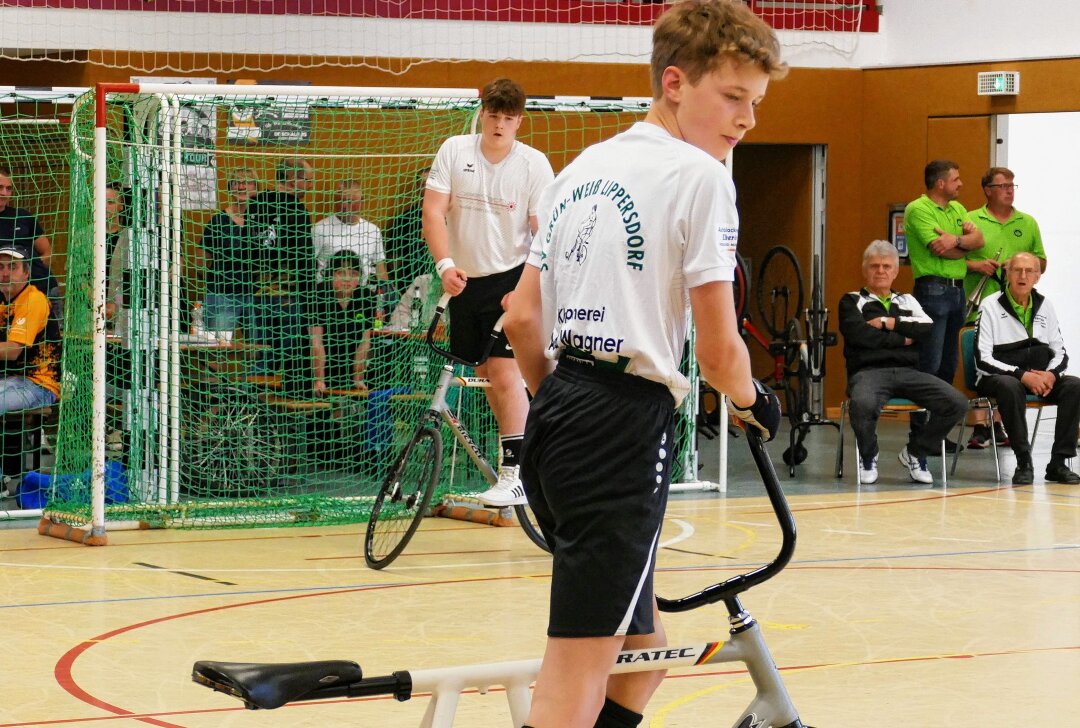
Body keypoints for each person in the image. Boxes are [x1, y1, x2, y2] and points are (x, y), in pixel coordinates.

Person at [501, 2, 785, 725]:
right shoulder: (698, 177)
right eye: (732, 97)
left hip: (561, 406)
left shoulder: (580, 169)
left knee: (644, 651)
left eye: (755, 102)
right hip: (621, 427)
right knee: (576, 670)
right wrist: (752, 401)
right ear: (674, 83)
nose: (746, 119)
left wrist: (561, 403)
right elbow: (720, 353)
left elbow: (521, 317)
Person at [423, 78, 555, 507]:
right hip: (465, 278)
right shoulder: (455, 150)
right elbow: (434, 210)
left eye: (509, 118)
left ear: (520, 120)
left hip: (513, 279)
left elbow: (543, 234)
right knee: (488, 378)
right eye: (494, 115)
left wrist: (526, 290)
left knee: (503, 373)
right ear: (482, 113)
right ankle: (514, 460)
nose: (500, 124)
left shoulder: (534, 164)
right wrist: (444, 266)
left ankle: (515, 473)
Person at [839, 240, 967, 484]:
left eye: (886, 266)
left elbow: (927, 329)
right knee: (862, 404)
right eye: (874, 266)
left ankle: (915, 452)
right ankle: (868, 455)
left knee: (956, 402)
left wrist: (889, 324)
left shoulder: (907, 300)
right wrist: (904, 339)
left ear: (895, 271)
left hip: (910, 372)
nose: (881, 271)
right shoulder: (851, 301)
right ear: (865, 270)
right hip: (868, 372)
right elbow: (859, 336)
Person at [974, 252, 1080, 485]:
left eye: (1029, 271)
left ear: (1037, 277)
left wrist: (1051, 375)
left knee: (1074, 386)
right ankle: (1024, 462)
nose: (1023, 276)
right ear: (1008, 274)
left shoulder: (1045, 305)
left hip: (1039, 375)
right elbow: (982, 358)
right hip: (998, 376)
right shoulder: (990, 305)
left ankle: (1058, 463)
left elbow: (1060, 351)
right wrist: (1022, 376)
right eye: (1017, 270)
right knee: (1010, 387)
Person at [903, 160, 984, 453]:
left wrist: (957, 239)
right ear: (940, 183)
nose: (961, 184)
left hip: (956, 292)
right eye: (956, 179)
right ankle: (919, 435)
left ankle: (936, 434)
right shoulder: (918, 209)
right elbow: (944, 251)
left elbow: (980, 239)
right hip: (932, 290)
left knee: (948, 366)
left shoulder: (957, 209)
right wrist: (963, 244)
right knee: (929, 365)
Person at [964, 166, 1046, 449]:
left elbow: (1041, 262)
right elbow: (953, 260)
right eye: (1003, 186)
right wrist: (977, 265)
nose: (1010, 190)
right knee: (983, 361)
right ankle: (981, 426)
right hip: (979, 302)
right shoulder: (971, 219)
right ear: (988, 190)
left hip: (1015, 306)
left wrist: (1017, 266)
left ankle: (1002, 423)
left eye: (1012, 185)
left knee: (1013, 360)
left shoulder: (1028, 221)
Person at [247, 158, 317, 392]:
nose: (309, 187)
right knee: (287, 358)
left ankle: (252, 412)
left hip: (256, 294)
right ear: (292, 179)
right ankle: (279, 416)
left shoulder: (255, 204)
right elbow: (304, 258)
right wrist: (309, 297)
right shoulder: (297, 210)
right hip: (287, 296)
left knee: (259, 354)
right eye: (307, 181)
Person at [0, 243, 61, 488]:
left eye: (12, 267)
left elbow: (13, 351)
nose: (5, 273)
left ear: (26, 274)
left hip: (40, 385)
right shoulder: (3, 301)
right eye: (1, 267)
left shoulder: (33, 300)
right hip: (13, 381)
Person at [199, 168, 260, 340]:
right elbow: (201, 262)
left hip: (258, 296)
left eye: (247, 182)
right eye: (236, 182)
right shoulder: (218, 221)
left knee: (257, 352)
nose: (241, 187)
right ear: (229, 188)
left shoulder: (264, 220)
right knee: (218, 350)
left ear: (257, 188)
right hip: (222, 295)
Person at [308, 251, 375, 396]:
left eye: (353, 273)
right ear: (330, 274)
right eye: (340, 273)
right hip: (315, 368)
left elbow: (364, 342)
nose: (347, 279)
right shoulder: (318, 295)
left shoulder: (366, 297)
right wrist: (319, 379)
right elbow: (316, 342)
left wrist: (358, 378)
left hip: (349, 367)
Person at [0, 163, 58, 312]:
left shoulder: (23, 216)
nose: (5, 193)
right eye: (0, 188)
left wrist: (25, 272)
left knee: (51, 335)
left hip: (41, 290)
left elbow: (48, 253)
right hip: (5, 296)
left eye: (9, 188)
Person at [312, 179, 388, 291]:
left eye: (349, 201)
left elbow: (379, 267)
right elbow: (307, 265)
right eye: (339, 200)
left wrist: (385, 295)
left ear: (362, 202)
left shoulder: (373, 231)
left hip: (362, 297)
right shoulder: (320, 229)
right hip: (328, 297)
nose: (343, 206)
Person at [384, 167, 431, 299]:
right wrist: (398, 287)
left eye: (431, 184)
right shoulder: (404, 220)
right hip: (411, 287)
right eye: (423, 185)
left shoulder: (452, 218)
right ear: (417, 189)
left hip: (443, 285)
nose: (427, 189)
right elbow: (393, 258)